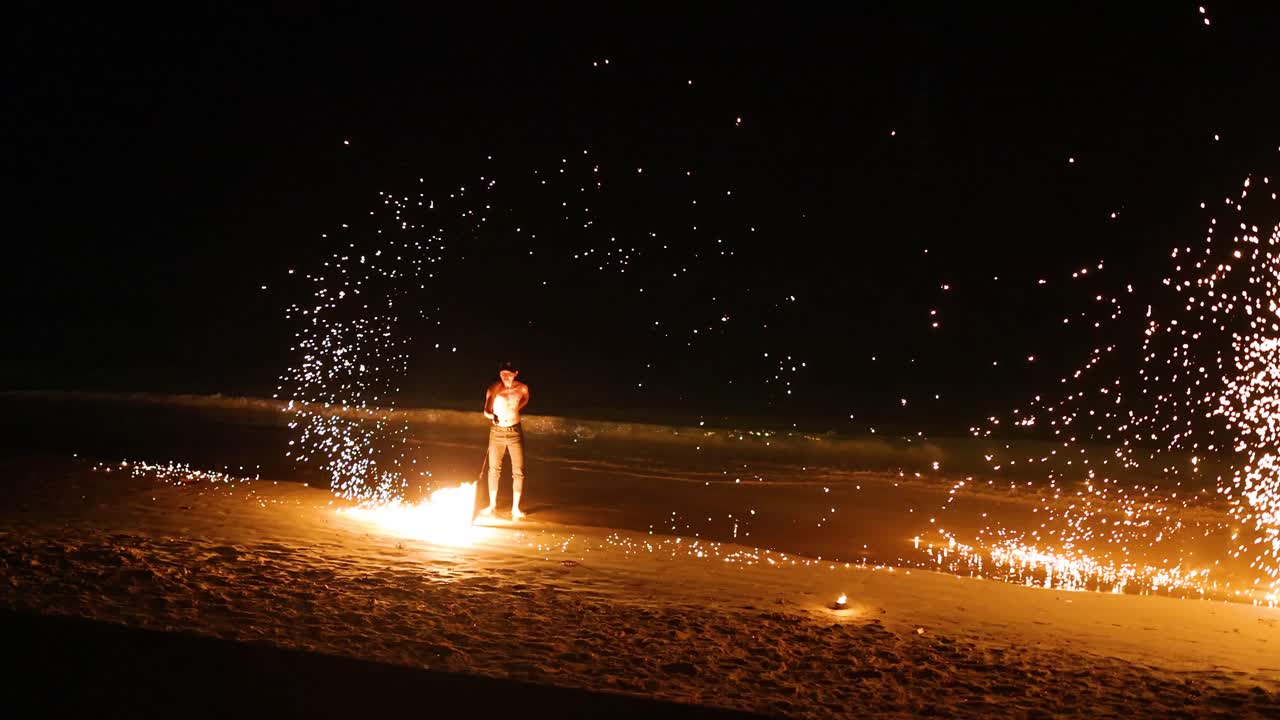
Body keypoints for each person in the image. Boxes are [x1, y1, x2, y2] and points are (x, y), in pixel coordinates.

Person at [481, 360, 530, 519]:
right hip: (497, 433)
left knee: (519, 471)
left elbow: (525, 398)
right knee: (494, 470)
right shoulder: (494, 388)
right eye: (503, 374)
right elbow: (486, 410)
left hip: (515, 431)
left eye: (509, 374)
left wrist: (517, 408)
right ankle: (492, 505)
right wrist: (492, 416)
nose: (505, 377)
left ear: (515, 373)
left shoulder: (522, 388)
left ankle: (515, 508)